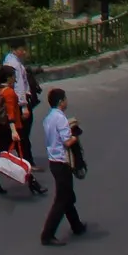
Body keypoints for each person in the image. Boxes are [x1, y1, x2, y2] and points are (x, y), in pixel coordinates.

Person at [40, 87, 86, 244]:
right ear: (61, 102)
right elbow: (67, 142)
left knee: (67, 196)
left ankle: (77, 226)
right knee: (62, 199)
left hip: (54, 161)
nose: (67, 101)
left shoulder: (48, 118)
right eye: (65, 98)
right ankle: (47, 234)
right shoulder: (60, 119)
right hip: (62, 162)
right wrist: (76, 135)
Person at [3, 43, 40, 159]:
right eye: (21, 49)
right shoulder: (15, 65)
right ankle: (26, 159)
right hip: (20, 102)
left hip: (16, 101)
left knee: (21, 131)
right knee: (24, 131)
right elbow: (19, 86)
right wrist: (24, 106)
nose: (24, 52)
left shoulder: (9, 59)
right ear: (14, 50)